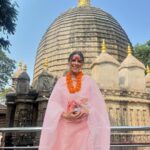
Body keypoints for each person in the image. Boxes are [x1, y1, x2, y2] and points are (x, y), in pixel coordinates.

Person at [39, 51, 110, 150]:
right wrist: (65, 114)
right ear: (68, 62)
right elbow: (53, 104)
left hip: (84, 128)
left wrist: (88, 110)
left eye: (79, 61)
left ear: (82, 64)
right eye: (73, 60)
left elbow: (98, 105)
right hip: (65, 128)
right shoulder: (61, 82)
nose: (76, 63)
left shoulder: (89, 81)